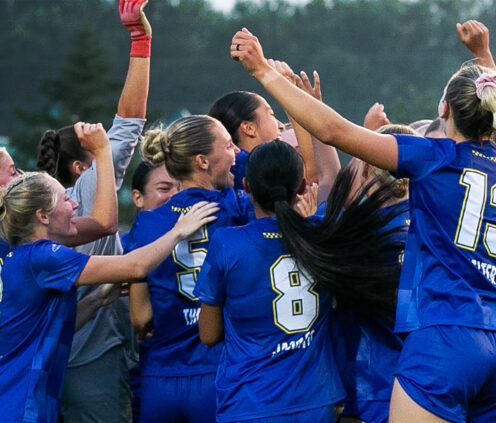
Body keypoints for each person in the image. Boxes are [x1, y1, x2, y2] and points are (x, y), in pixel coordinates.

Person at [231, 27, 496, 423]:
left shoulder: (434, 155)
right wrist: (484, 56)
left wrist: (262, 72)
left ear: (443, 111)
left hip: (446, 332)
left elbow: (333, 131)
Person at [0, 122, 219, 423]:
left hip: (26, 396)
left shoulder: (23, 254)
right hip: (18, 403)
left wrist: (99, 300)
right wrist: (177, 232)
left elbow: (52, 325)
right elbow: (135, 266)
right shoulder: (43, 257)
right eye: (65, 200)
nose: (75, 203)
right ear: (42, 216)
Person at [195, 139, 404, 422]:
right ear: (303, 187)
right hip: (315, 402)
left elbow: (208, 334)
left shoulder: (227, 243)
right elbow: (333, 179)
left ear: (246, 187)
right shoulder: (323, 234)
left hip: (248, 400)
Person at [35, 1, 152, 420]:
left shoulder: (26, 210)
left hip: (37, 363)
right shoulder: (81, 194)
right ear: (80, 168)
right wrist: (140, 40)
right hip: (90, 363)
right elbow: (128, 125)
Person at [125, 114, 253, 423]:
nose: (235, 151)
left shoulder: (147, 223)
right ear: (203, 161)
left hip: (160, 378)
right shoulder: (236, 207)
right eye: (227, 145)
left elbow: (140, 318)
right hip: (218, 372)